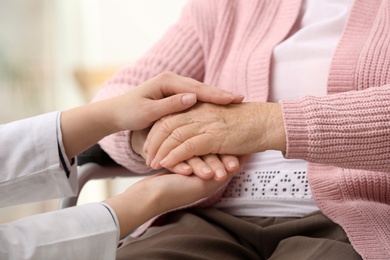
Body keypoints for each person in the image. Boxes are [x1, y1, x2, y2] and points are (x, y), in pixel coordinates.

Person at [92, 0, 390, 259]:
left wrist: (266, 123)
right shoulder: (226, 4)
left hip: (359, 219)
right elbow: (119, 94)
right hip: (209, 217)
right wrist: (152, 137)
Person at [0, 72, 245, 260]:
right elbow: (119, 85)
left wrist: (113, 115)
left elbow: (125, 94)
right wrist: (143, 140)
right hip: (201, 221)